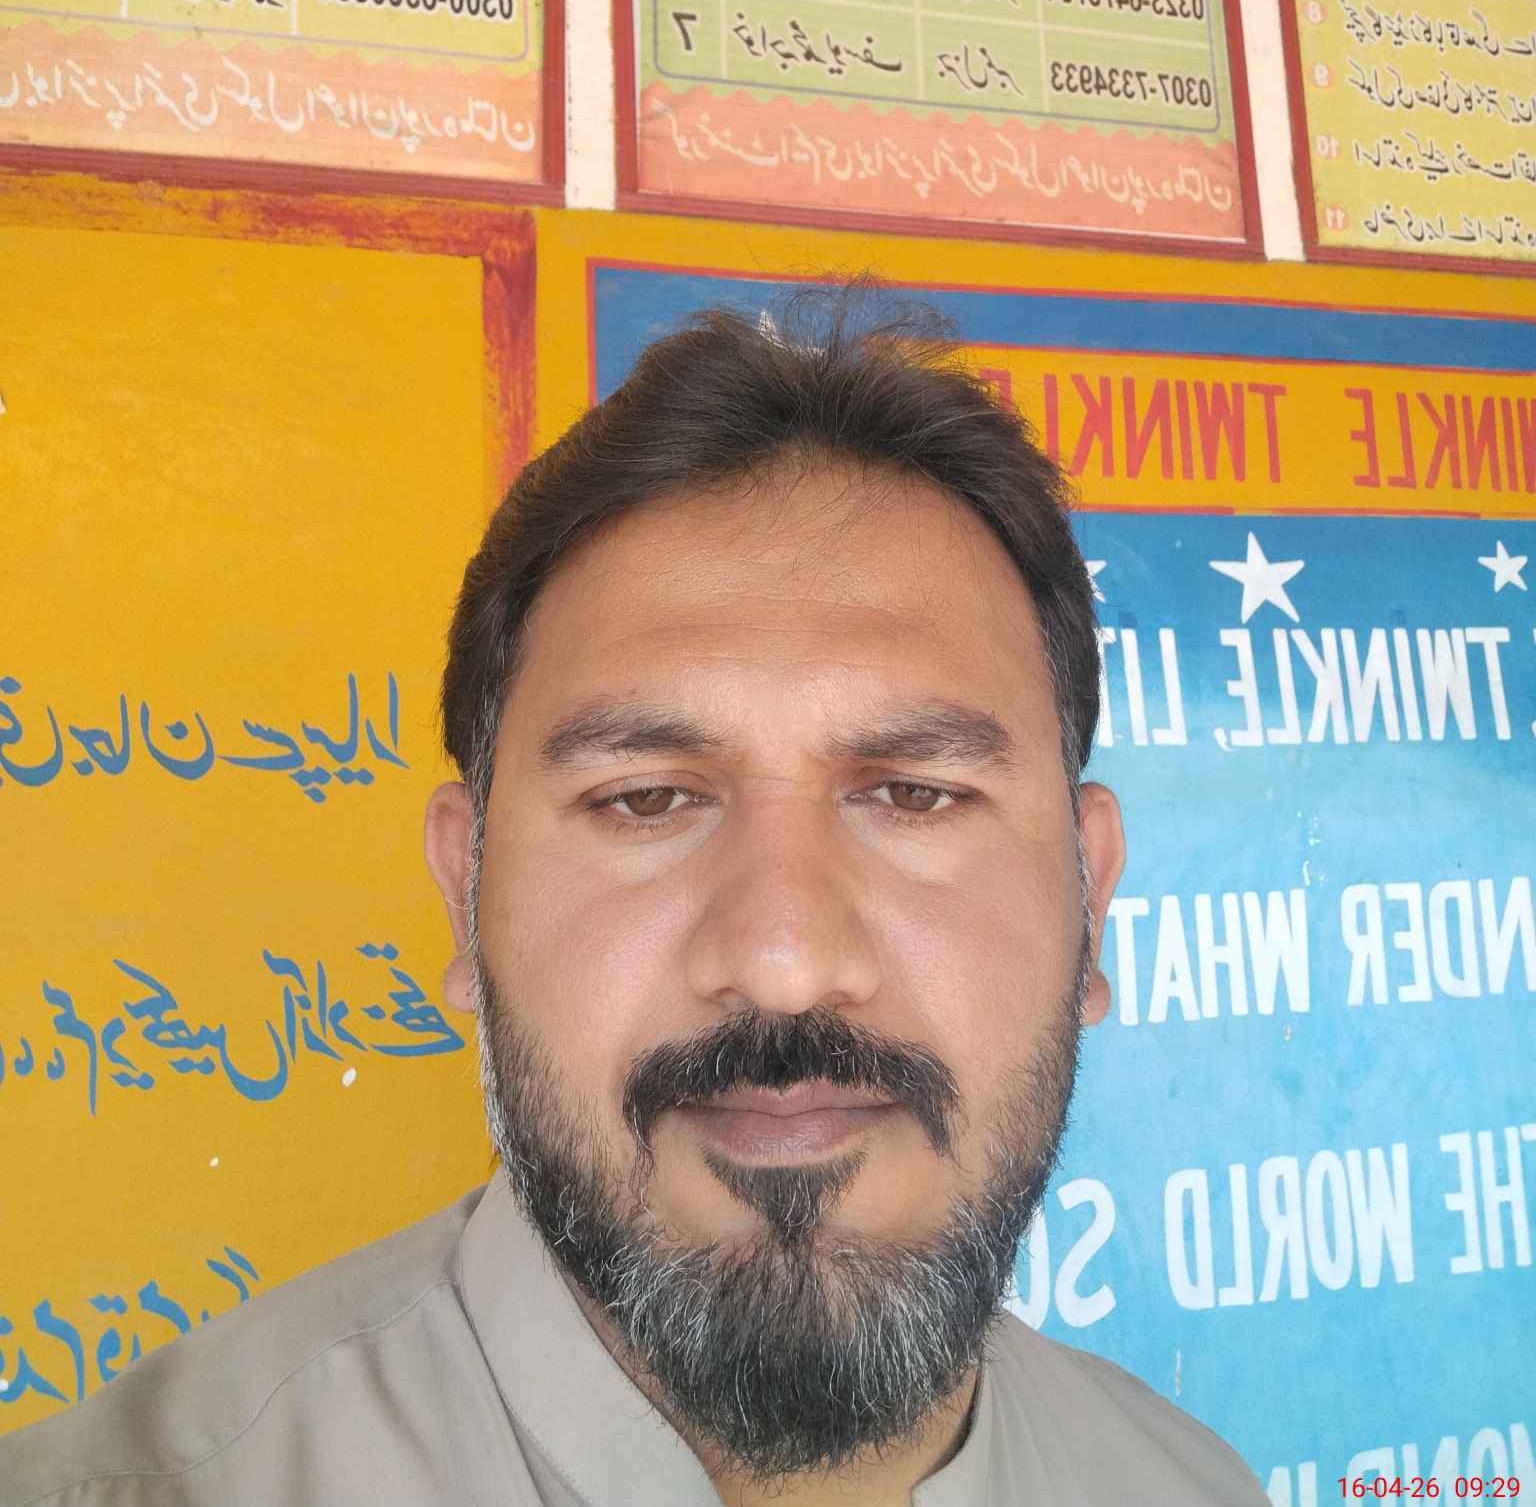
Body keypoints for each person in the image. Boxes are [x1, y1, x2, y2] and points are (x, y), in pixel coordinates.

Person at [1, 284, 1269, 1507]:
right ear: (465, 893)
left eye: (915, 794)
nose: (782, 961)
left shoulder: (1188, 1484)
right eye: (646, 799)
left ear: (1091, 899)